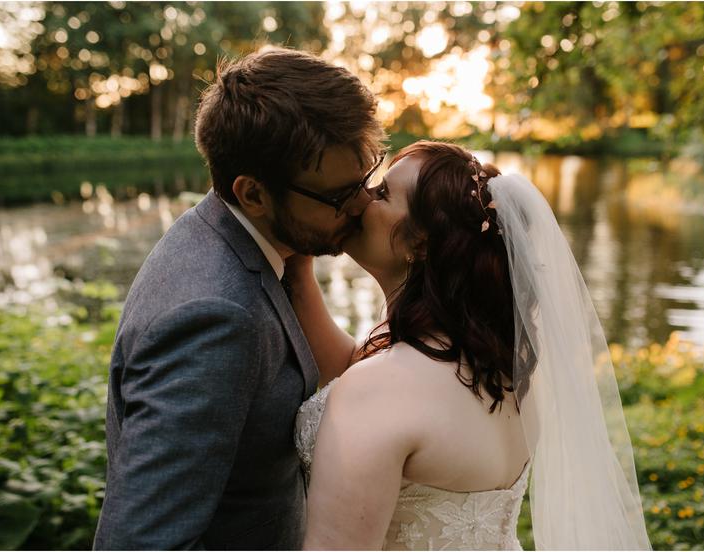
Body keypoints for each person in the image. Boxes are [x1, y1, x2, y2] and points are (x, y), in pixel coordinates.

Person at [290, 141, 652, 550]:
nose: (360, 199)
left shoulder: (383, 388)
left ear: (421, 244)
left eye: (383, 194)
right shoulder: (504, 371)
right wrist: (299, 268)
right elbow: (358, 367)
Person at [93, 47, 386, 550]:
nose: (363, 205)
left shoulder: (231, 235)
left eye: (367, 178)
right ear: (253, 194)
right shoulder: (216, 318)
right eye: (339, 196)